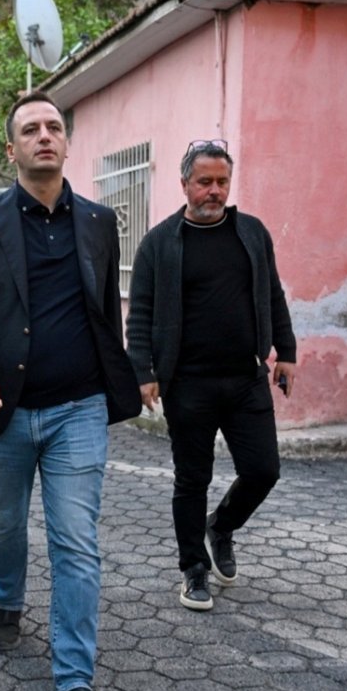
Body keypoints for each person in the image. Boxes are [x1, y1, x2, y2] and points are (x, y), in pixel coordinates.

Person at [0, 92, 141, 691]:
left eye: (54, 127)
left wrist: (120, 377)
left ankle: (74, 676)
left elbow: (103, 311)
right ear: (11, 149)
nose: (44, 136)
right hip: (3, 411)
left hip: (80, 408)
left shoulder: (98, 221)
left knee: (75, 540)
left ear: (67, 143)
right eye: (31, 129)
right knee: (5, 524)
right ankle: (8, 598)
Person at [125, 139, 297, 612]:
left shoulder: (252, 233)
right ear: (185, 184)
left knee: (263, 470)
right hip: (188, 384)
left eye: (222, 181)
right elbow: (140, 313)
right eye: (205, 182)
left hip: (246, 378)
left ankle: (220, 526)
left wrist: (287, 350)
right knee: (192, 479)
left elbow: (273, 294)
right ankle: (193, 569)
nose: (214, 191)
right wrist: (143, 371)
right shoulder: (160, 243)